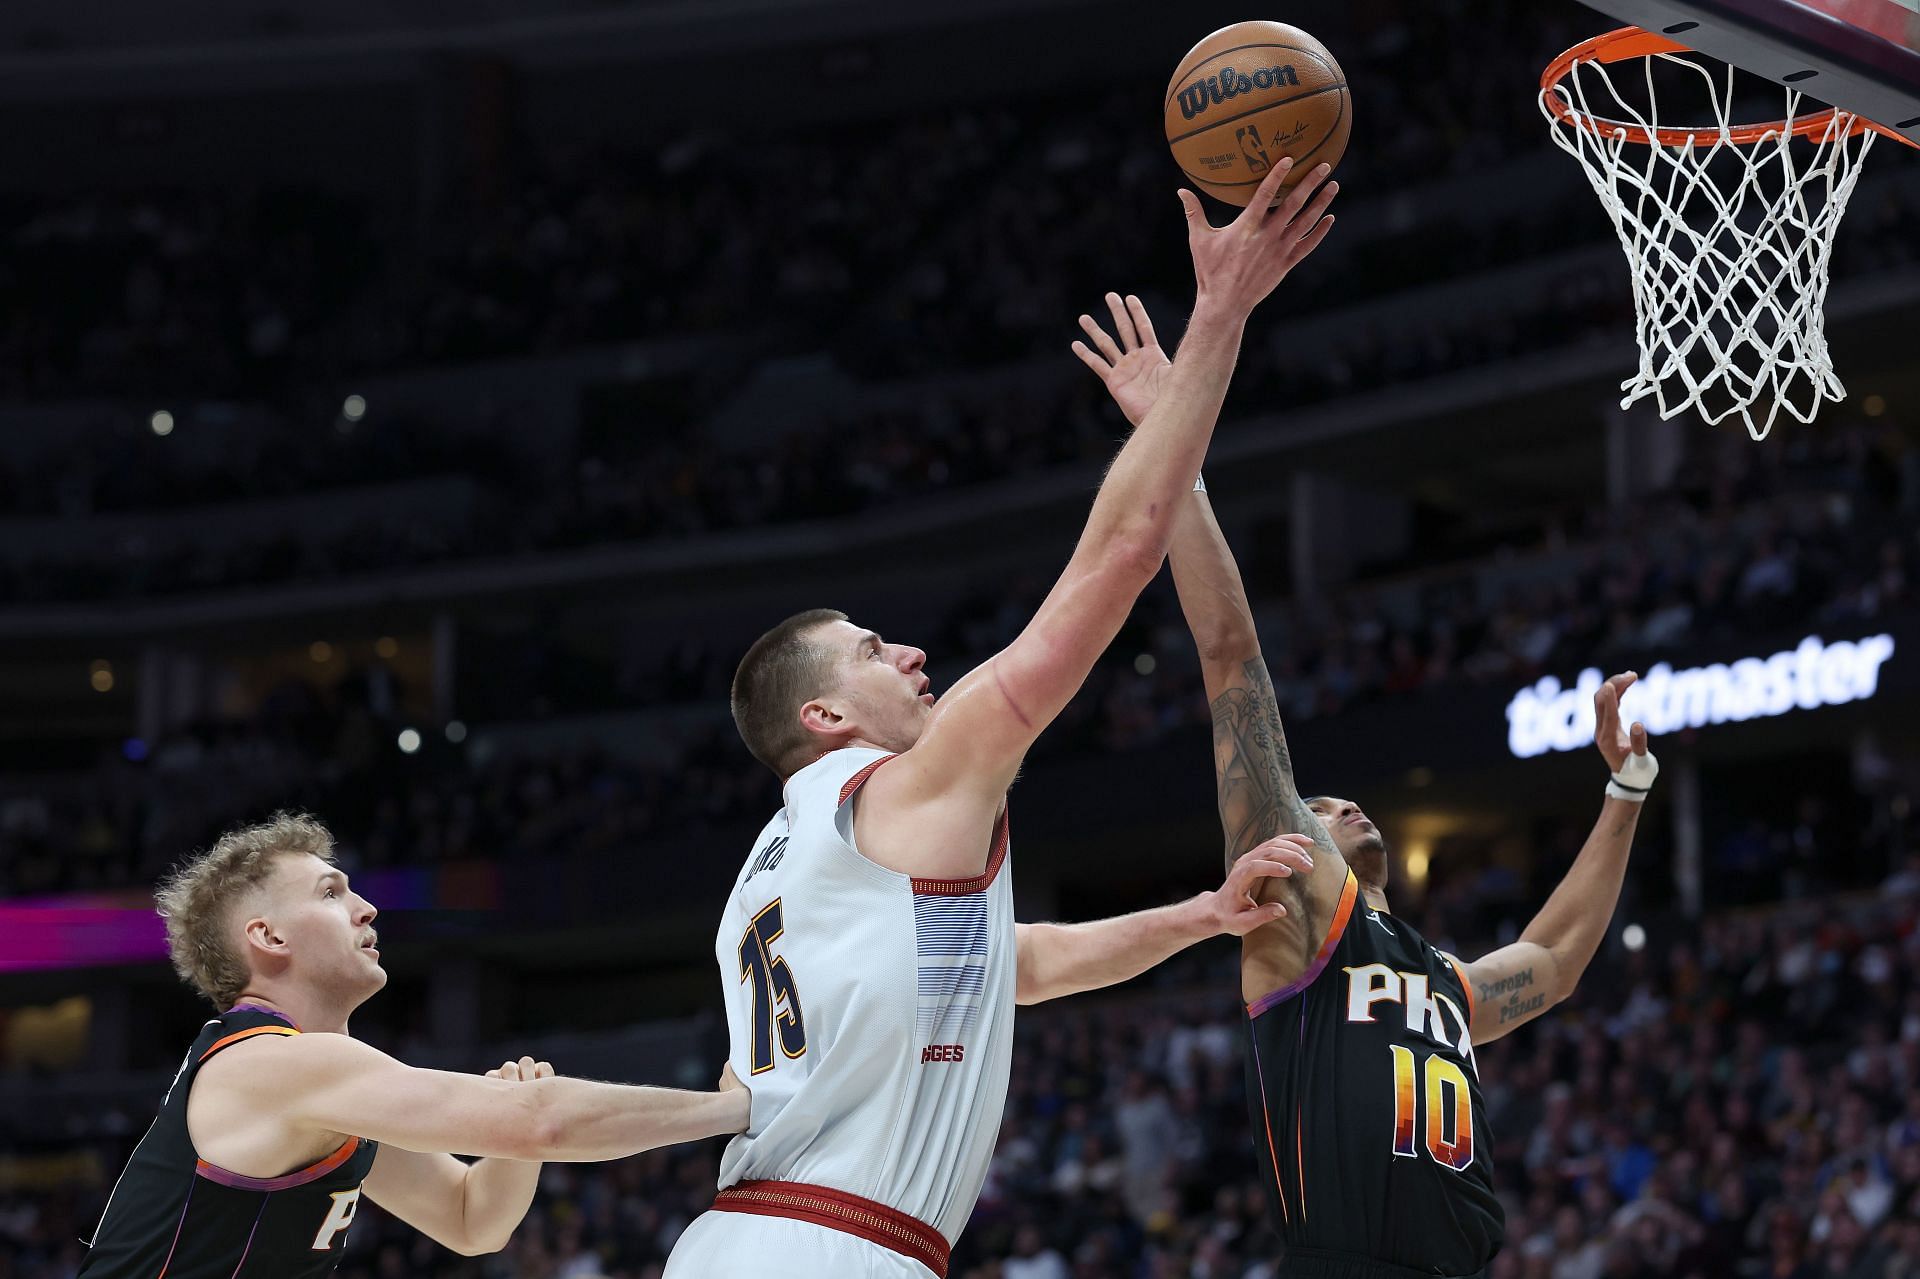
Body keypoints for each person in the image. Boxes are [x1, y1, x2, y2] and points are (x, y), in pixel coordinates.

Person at [664, 159, 1342, 1279]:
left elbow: (1003, 964)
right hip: (827, 1249)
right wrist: (1220, 316)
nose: (915, 653)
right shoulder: (902, 790)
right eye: (877, 651)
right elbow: (1121, 558)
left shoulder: (782, 862)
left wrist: (1202, 916)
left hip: (755, 1239)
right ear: (826, 711)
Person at [1076, 293, 1660, 1279]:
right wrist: (1172, 442)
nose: (1346, 803)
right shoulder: (1299, 909)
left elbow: (1556, 959)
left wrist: (1628, 790)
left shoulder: (1438, 979)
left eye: (1348, 798)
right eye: (1320, 800)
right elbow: (1231, 658)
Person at [78, 812, 748, 1278]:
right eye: (331, 891)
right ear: (270, 937)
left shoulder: (321, 1093)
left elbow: (471, 1220)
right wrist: (728, 1111)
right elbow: (543, 1118)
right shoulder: (271, 1064)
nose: (365, 906)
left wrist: (515, 1142)